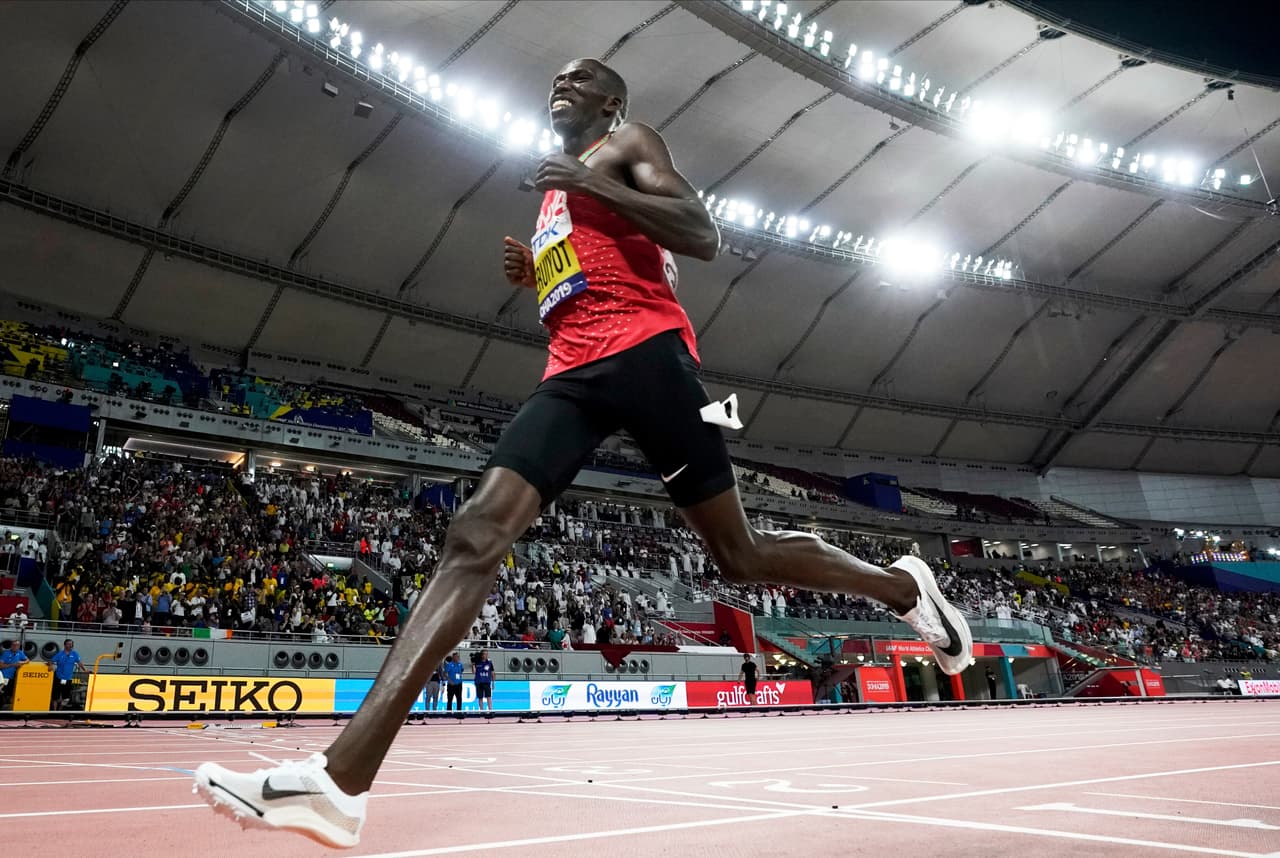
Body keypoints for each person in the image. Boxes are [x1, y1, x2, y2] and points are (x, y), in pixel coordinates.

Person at [194, 57, 972, 848]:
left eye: (581, 76)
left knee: (739, 557)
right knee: (474, 533)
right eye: (556, 78)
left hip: (649, 359)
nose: (560, 82)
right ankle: (339, 783)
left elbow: (701, 235)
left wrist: (592, 182)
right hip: (571, 372)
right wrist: (539, 271)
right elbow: (598, 269)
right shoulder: (559, 194)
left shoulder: (628, 142)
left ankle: (901, 589)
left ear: (612, 100)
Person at [49, 638, 85, 711]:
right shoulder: (60, 654)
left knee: (66, 698)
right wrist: (50, 666)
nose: (70, 645)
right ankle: (54, 711)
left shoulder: (74, 654)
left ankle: (60, 710)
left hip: (68, 678)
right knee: (55, 696)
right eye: (68, 644)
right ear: (65, 645)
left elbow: (79, 662)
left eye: (71, 644)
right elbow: (51, 661)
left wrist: (85, 670)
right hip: (58, 677)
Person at [0, 639, 29, 708]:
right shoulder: (6, 653)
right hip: (4, 677)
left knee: (10, 694)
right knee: (1, 694)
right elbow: (1, 666)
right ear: (11, 646)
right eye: (14, 645)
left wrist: (22, 662)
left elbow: (27, 660)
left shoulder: (20, 653)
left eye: (17, 645)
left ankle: (7, 710)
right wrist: (13, 665)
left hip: (13, 678)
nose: (15, 646)